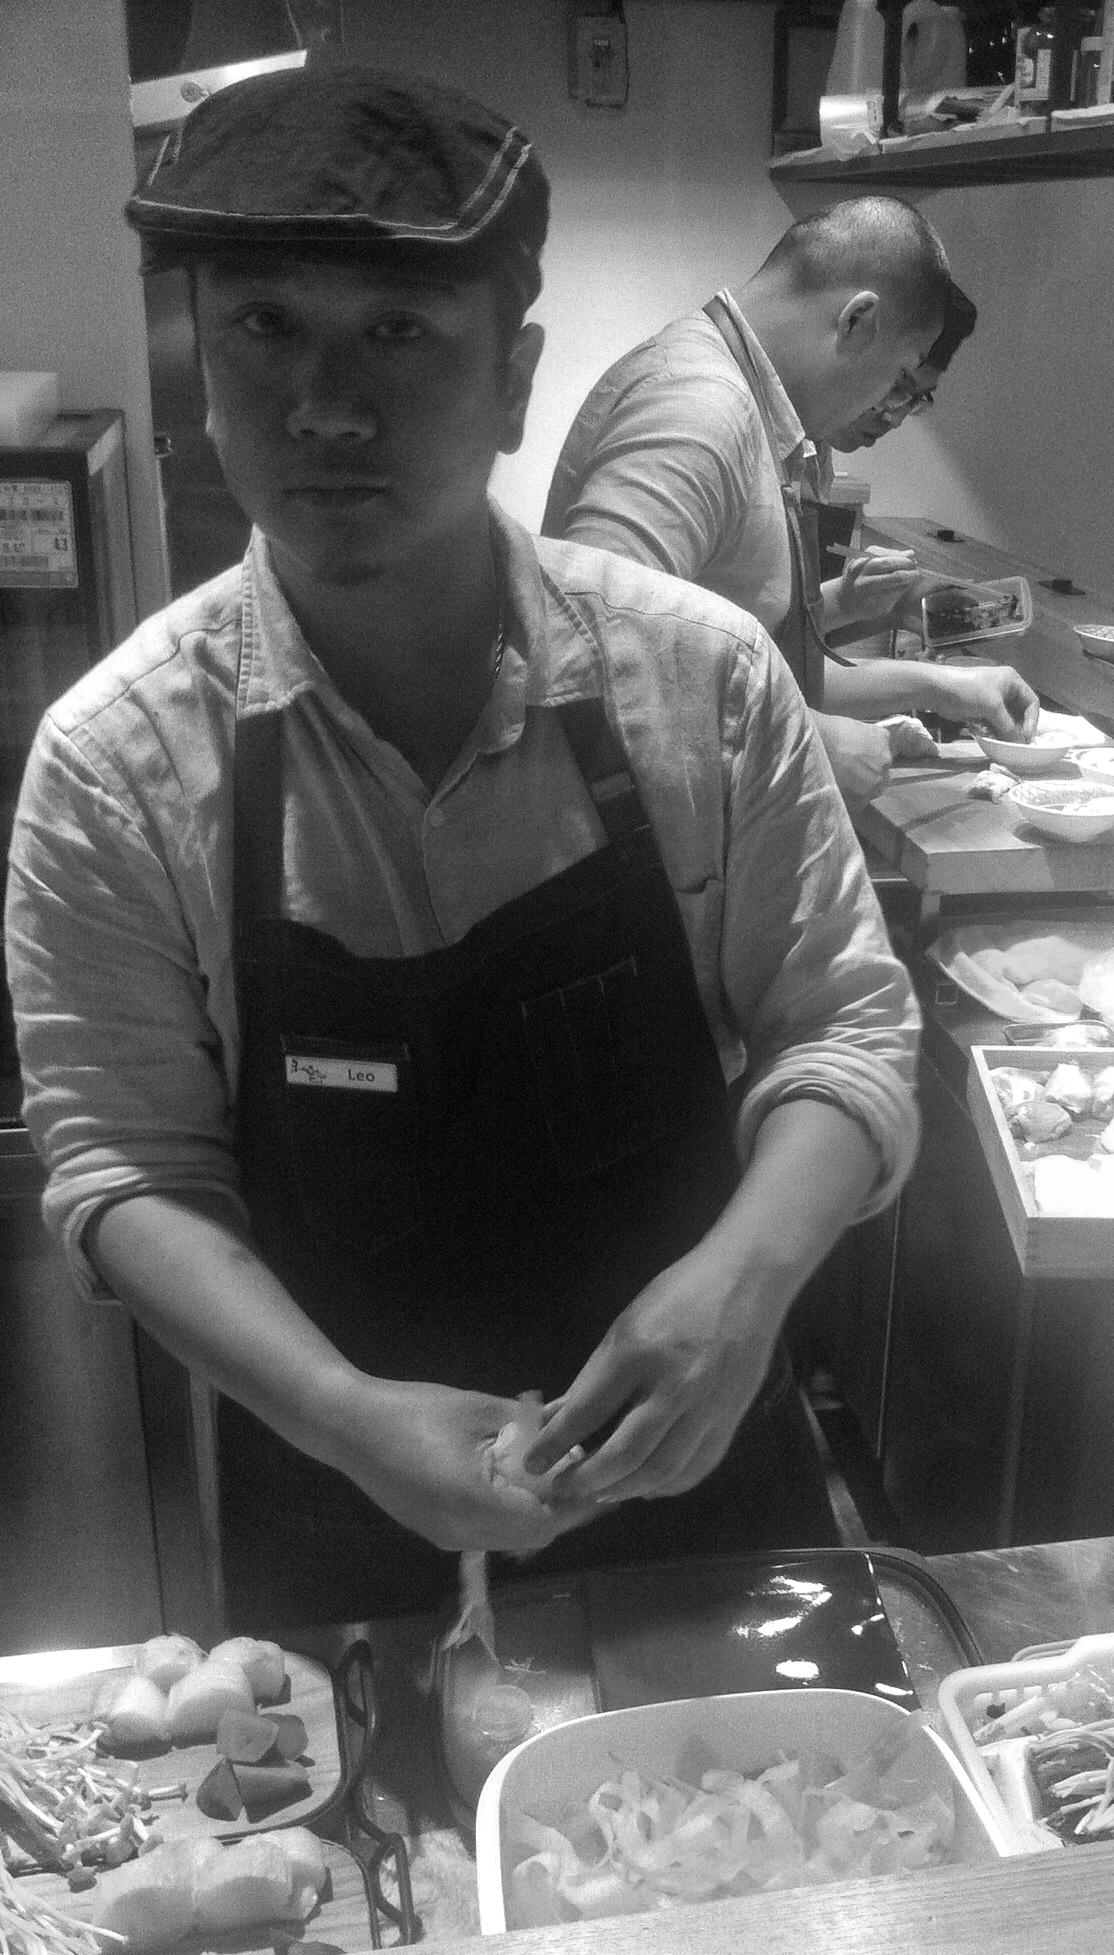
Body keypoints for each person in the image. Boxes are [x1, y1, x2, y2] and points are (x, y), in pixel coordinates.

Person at [3, 65, 921, 1631]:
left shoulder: (697, 681)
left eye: (397, 332)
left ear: (513, 381)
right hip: (342, 1543)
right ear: (204, 372)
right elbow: (125, 1161)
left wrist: (744, 1284)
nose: (323, 404)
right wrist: (344, 1412)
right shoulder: (115, 766)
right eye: (263, 327)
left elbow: (844, 1024)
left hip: (709, 1528)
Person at [541, 203, 1037, 808]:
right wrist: (809, 745)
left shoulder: (743, 408)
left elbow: (736, 673)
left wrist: (941, 685)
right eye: (900, 376)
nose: (888, 405)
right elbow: (584, 660)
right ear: (857, 320)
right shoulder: (700, 411)